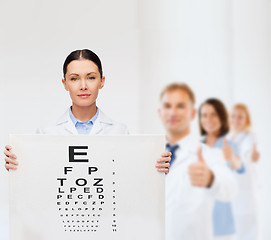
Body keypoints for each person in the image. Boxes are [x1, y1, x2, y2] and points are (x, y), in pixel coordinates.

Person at [4, 49, 170, 173]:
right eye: (74, 78)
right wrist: (17, 165)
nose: (83, 86)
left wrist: (155, 166)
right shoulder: (46, 132)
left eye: (91, 77)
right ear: (65, 83)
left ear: (101, 81)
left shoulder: (119, 131)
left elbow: (127, 175)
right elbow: (38, 177)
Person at [158, 83, 238, 240]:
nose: (173, 112)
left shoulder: (208, 154)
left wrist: (210, 179)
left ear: (193, 114)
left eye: (180, 106)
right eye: (167, 106)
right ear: (160, 112)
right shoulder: (152, 153)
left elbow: (231, 188)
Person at [198, 98, 245, 240]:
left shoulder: (228, 144)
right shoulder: (197, 146)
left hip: (222, 224)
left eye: (214, 114)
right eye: (204, 115)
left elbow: (239, 166)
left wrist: (231, 158)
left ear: (222, 117)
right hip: (199, 220)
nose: (209, 119)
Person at [228, 103, 260, 240]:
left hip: (246, 196)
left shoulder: (249, 137)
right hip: (232, 195)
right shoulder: (228, 139)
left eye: (240, 117)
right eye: (233, 116)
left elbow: (249, 154)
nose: (236, 120)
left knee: (247, 233)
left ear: (247, 119)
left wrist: (251, 155)